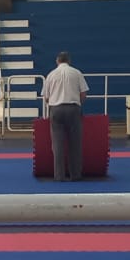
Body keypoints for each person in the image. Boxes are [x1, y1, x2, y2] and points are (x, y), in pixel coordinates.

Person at [43, 51, 88, 182]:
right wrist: (77, 105)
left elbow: (46, 98)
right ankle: (75, 174)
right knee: (75, 144)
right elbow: (83, 94)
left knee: (57, 145)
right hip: (73, 108)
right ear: (69, 61)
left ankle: (59, 176)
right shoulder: (77, 73)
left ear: (57, 61)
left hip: (56, 109)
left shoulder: (51, 75)